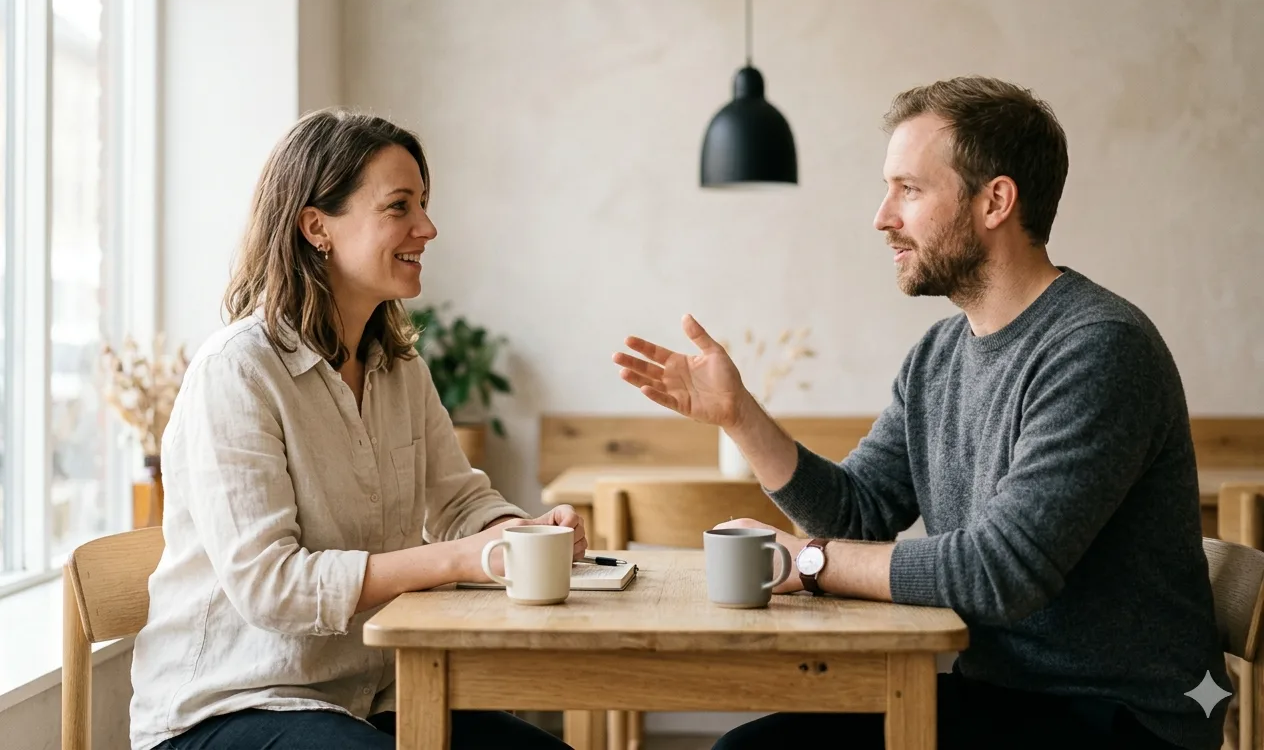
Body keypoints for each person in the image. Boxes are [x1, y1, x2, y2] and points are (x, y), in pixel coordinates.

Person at [613, 77, 1228, 750]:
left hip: (1120, 721)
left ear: (995, 200)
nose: (883, 217)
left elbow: (1001, 572)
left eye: (908, 189)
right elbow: (857, 513)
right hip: (1002, 698)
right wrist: (739, 417)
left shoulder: (1099, 349)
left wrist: (808, 564)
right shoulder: (939, 354)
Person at [130, 109, 581, 750]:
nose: (427, 228)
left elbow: (460, 503)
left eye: (423, 204)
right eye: (400, 207)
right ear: (318, 226)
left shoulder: (398, 369)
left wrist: (524, 535)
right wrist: (456, 558)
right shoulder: (237, 372)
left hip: (369, 700)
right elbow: (270, 587)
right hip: (228, 708)